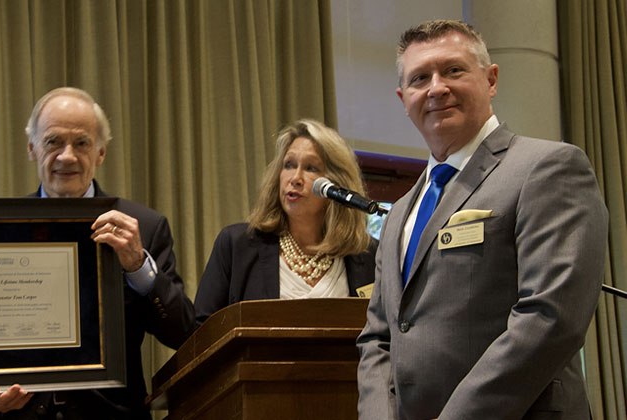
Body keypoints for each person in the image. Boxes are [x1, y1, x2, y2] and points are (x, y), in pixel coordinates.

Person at [356, 20, 608, 419]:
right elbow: (379, 337)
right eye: (421, 77)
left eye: (453, 70)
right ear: (405, 99)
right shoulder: (399, 212)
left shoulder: (547, 167)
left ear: (490, 80)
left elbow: (549, 317)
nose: (437, 87)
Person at [0, 87, 195, 419]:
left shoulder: (144, 226)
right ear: (32, 149)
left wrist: (137, 267)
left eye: (82, 143)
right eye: (53, 142)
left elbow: (183, 335)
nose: (67, 156)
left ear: (101, 153)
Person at [193, 119, 377, 327]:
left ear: (337, 184)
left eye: (311, 168)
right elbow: (202, 331)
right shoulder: (237, 245)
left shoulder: (367, 255)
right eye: (289, 165)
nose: (295, 178)